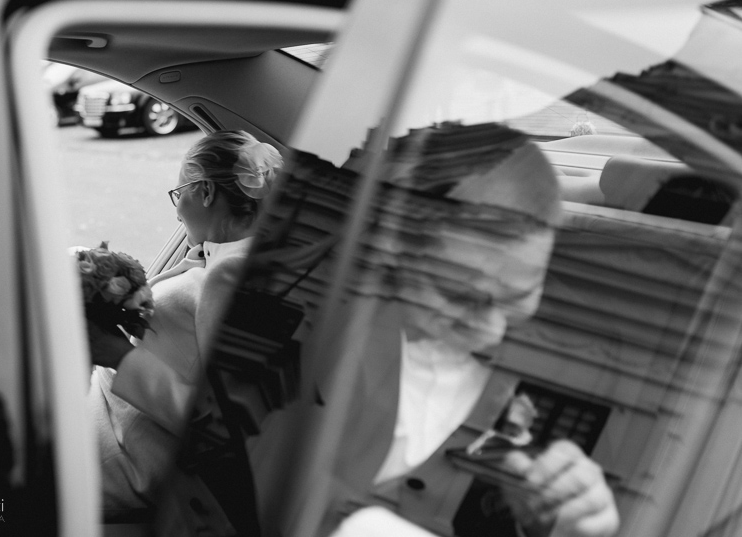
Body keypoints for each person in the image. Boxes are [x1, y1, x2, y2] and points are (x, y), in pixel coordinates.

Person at [235, 128, 619, 537]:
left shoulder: (577, 372)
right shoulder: (304, 338)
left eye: (519, 296)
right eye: (458, 295)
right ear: (395, 250)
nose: (491, 332)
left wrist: (573, 521)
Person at [86, 129, 283, 535]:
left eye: (180, 194)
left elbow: (228, 426)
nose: (177, 212)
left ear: (206, 191)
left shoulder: (234, 275)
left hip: (119, 447)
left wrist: (117, 354)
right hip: (99, 415)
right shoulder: (216, 258)